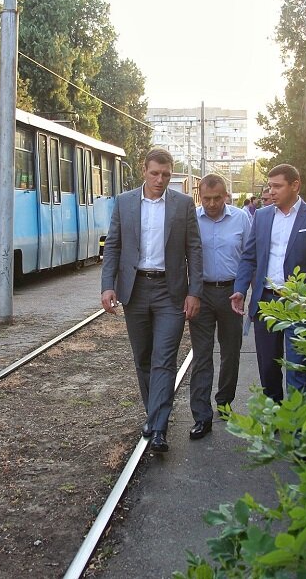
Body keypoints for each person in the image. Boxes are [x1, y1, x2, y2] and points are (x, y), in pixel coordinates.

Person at [102, 148, 203, 452]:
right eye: (155, 173)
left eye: (166, 175)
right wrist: (108, 286)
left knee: (164, 359)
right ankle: (154, 413)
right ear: (143, 171)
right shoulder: (125, 202)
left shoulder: (183, 204)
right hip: (135, 290)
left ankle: (158, 427)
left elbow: (194, 249)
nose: (160, 180)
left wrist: (194, 291)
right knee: (143, 357)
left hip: (170, 292)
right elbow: (113, 246)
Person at [231, 164, 306, 402]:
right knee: (268, 367)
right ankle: (274, 415)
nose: (271, 191)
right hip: (266, 302)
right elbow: (249, 257)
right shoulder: (262, 216)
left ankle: (298, 420)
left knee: (298, 369)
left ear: (295, 185)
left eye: (277, 186)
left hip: (298, 304)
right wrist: (240, 289)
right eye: (270, 186)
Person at [187, 175, 251, 439]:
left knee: (231, 352)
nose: (212, 204)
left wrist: (244, 290)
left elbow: (249, 256)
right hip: (200, 293)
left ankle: (224, 402)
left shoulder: (241, 219)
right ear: (200, 197)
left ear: (226, 195)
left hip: (231, 293)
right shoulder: (192, 219)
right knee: (202, 355)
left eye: (217, 198)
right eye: (206, 199)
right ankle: (202, 417)